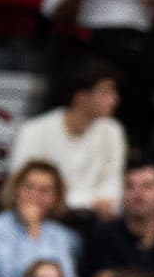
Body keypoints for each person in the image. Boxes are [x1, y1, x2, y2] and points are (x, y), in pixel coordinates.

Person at [7, 60, 126, 217]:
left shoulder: (113, 131)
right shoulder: (33, 131)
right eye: (105, 93)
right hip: (43, 218)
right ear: (81, 97)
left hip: (93, 221)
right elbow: (22, 188)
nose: (114, 100)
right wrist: (89, 202)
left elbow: (112, 189)